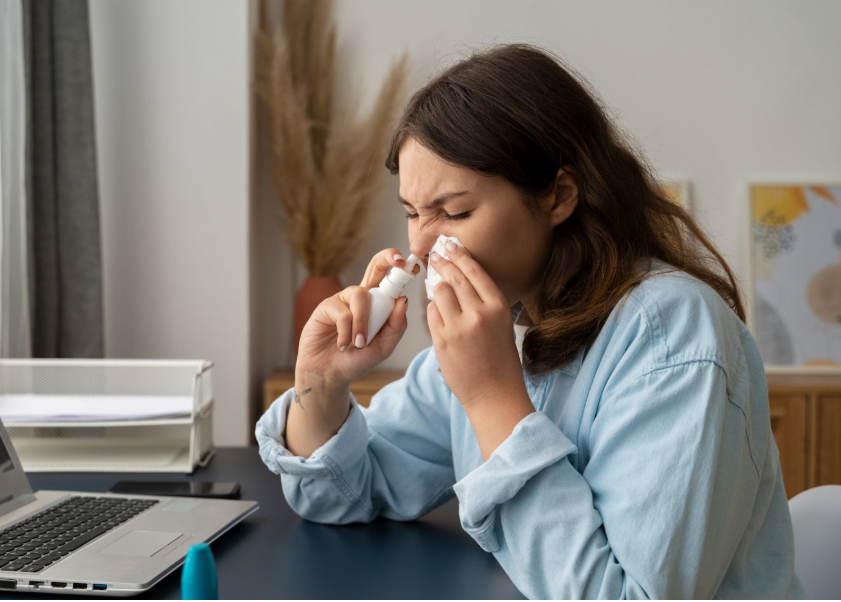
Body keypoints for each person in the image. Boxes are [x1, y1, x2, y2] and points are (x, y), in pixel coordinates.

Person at [256, 44, 804, 599]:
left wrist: (493, 395)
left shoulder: (674, 338)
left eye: (456, 211)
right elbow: (339, 494)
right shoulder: (507, 325)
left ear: (559, 196)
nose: (420, 248)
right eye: (412, 214)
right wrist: (320, 384)